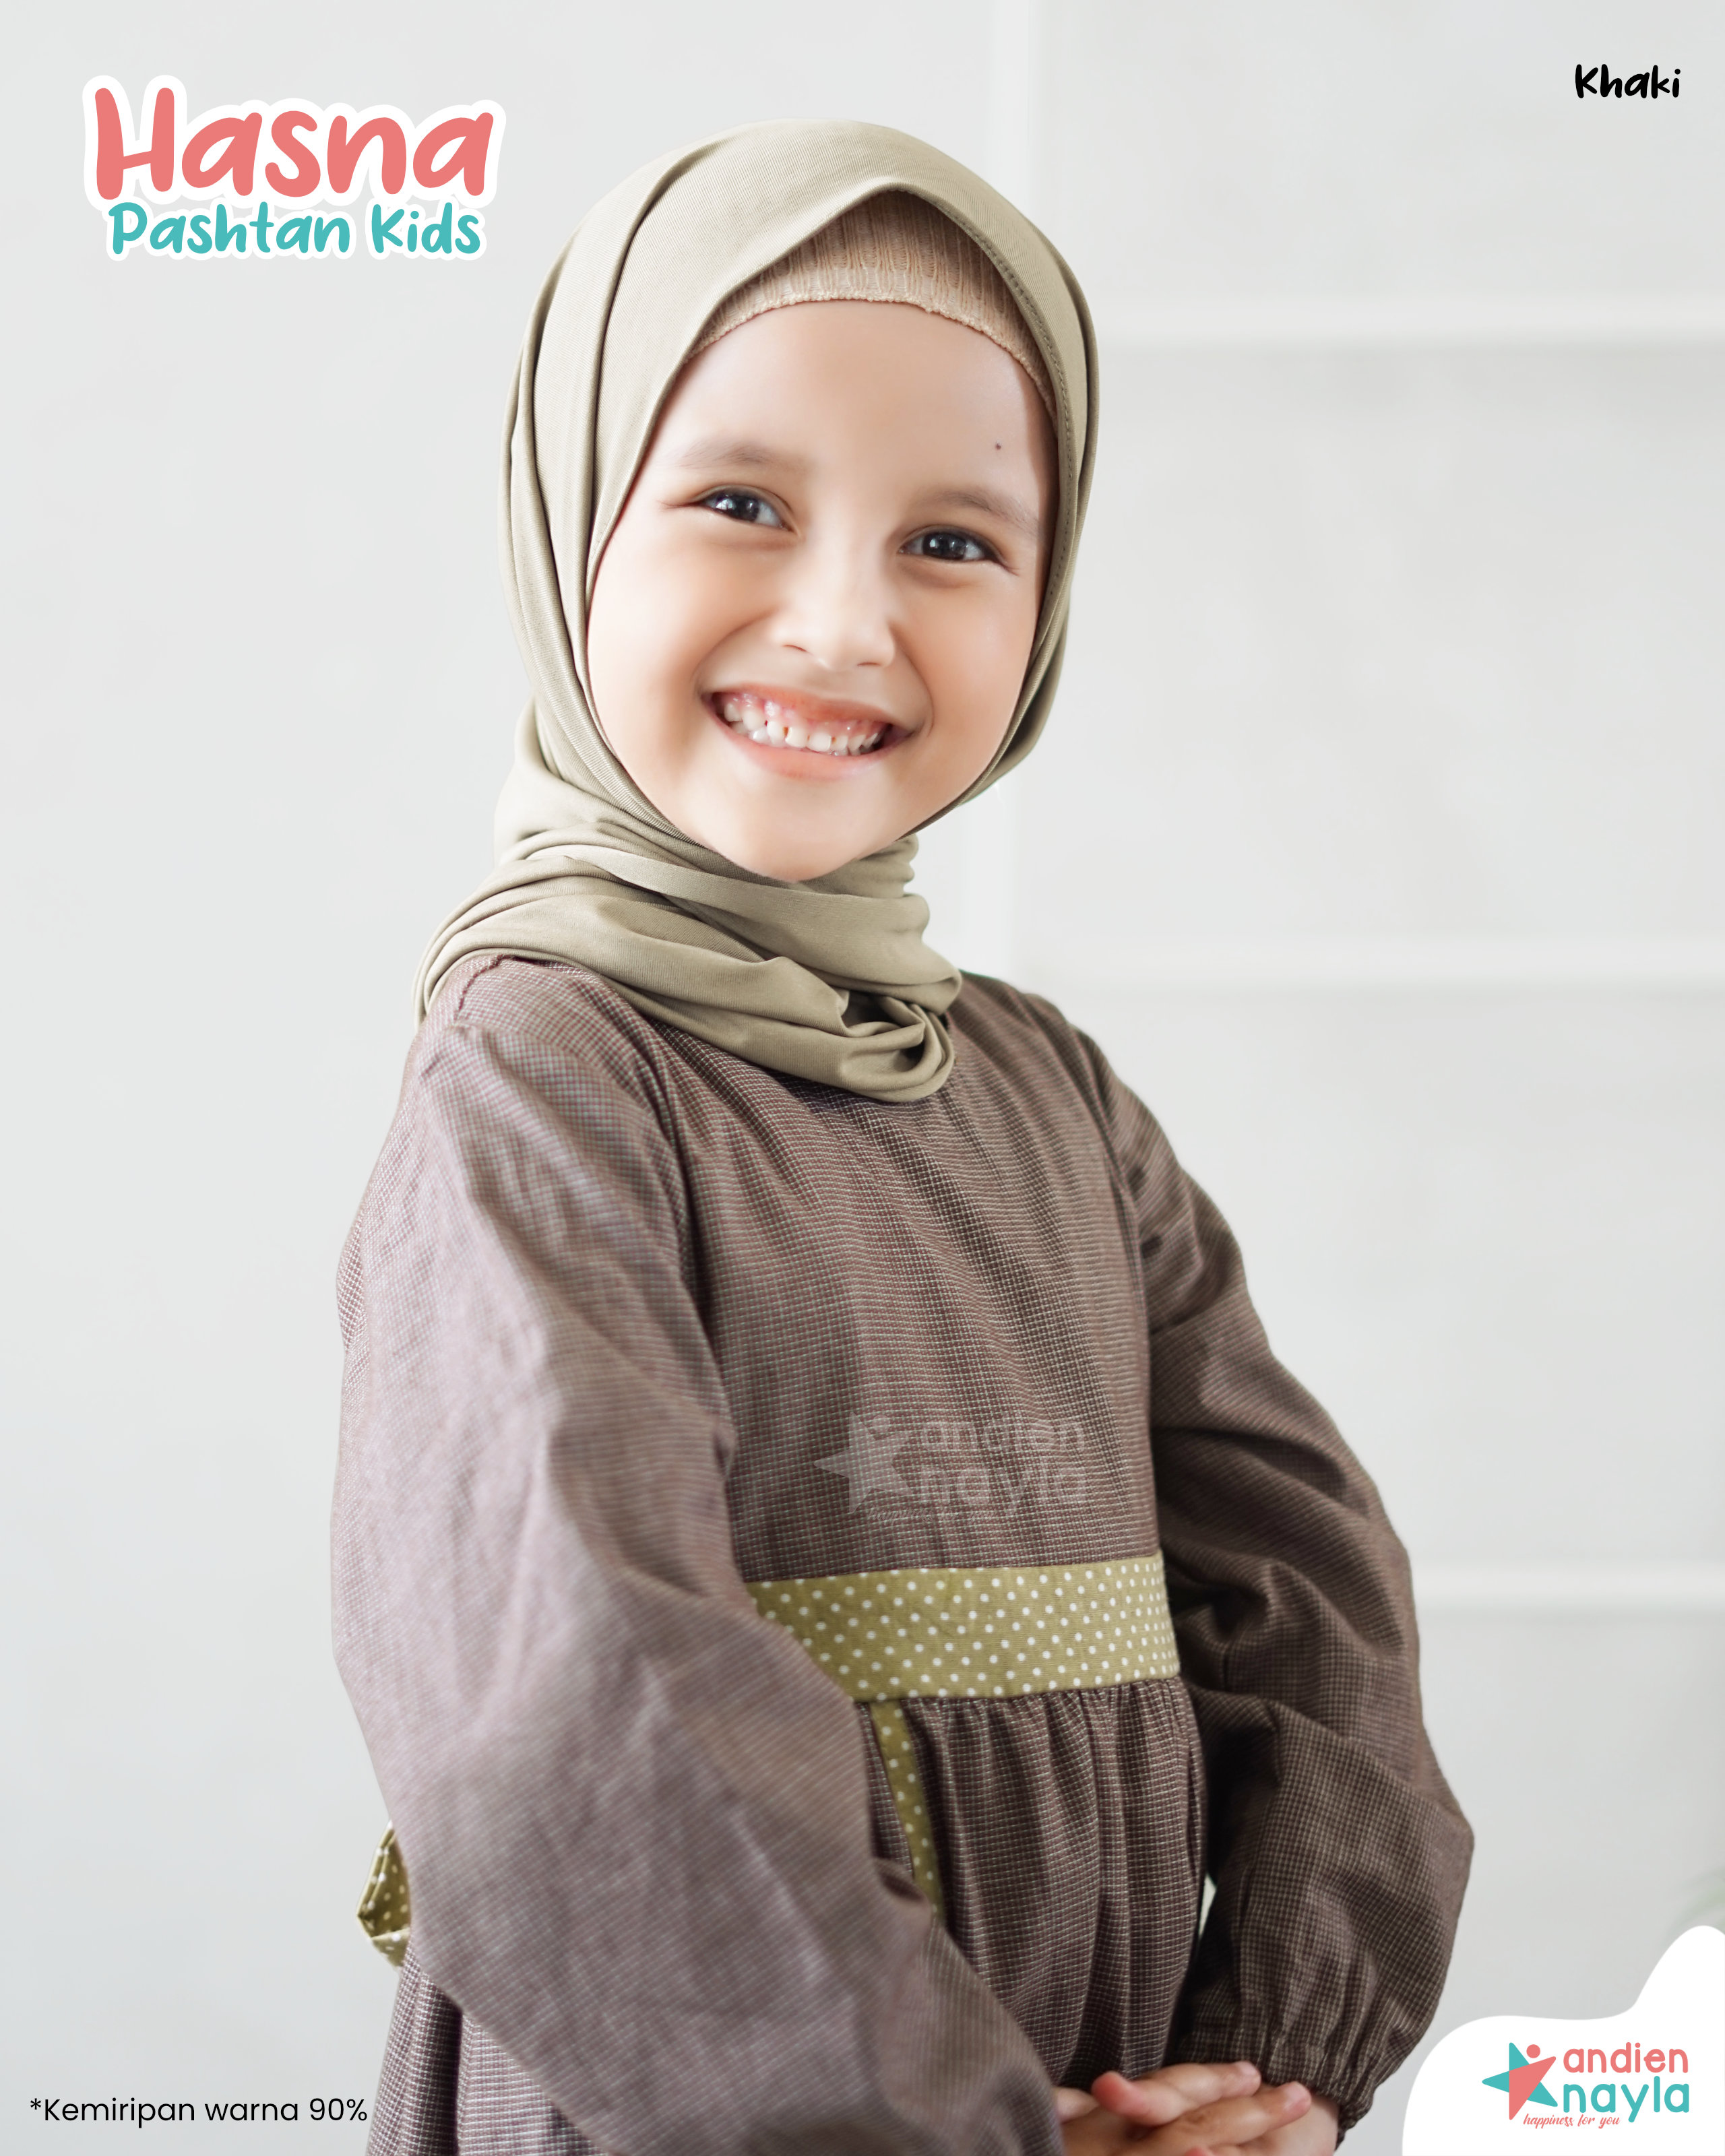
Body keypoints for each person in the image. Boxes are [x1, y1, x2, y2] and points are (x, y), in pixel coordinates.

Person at [332, 119, 1472, 2156]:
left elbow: (1311, 1586)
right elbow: (576, 1691)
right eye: (739, 502)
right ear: (569, 518)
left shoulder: (1047, 1094)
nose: (846, 624)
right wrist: (936, 2125)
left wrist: (1268, 2065)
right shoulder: (548, 1073)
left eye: (954, 542)